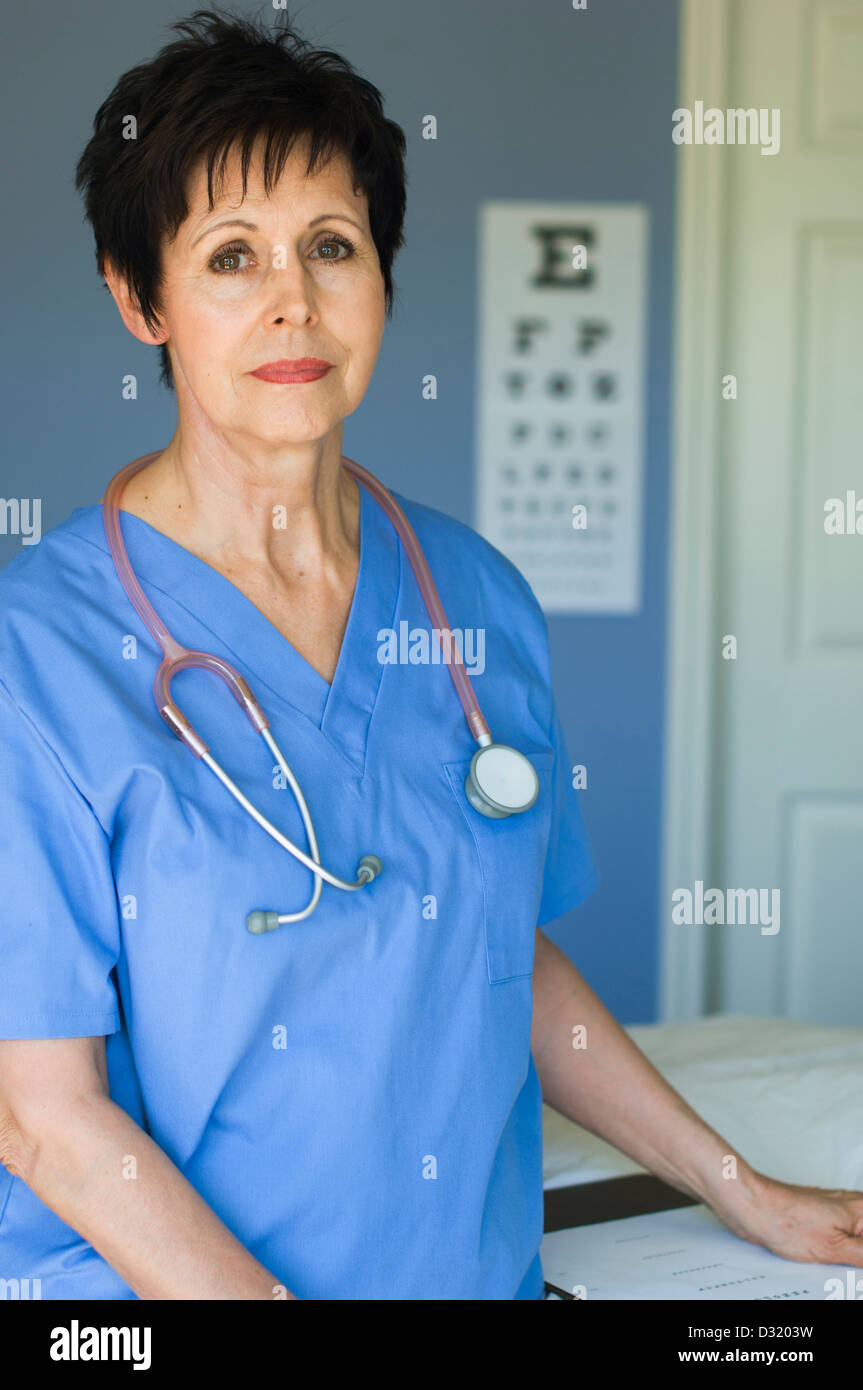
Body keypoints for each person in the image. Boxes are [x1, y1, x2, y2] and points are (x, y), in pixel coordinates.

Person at [1, 8, 861, 1301]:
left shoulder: (475, 597)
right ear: (142, 299)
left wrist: (742, 1189)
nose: (293, 297)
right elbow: (41, 1114)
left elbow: (499, 946)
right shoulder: (41, 653)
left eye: (332, 246)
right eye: (232, 255)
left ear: (382, 279)